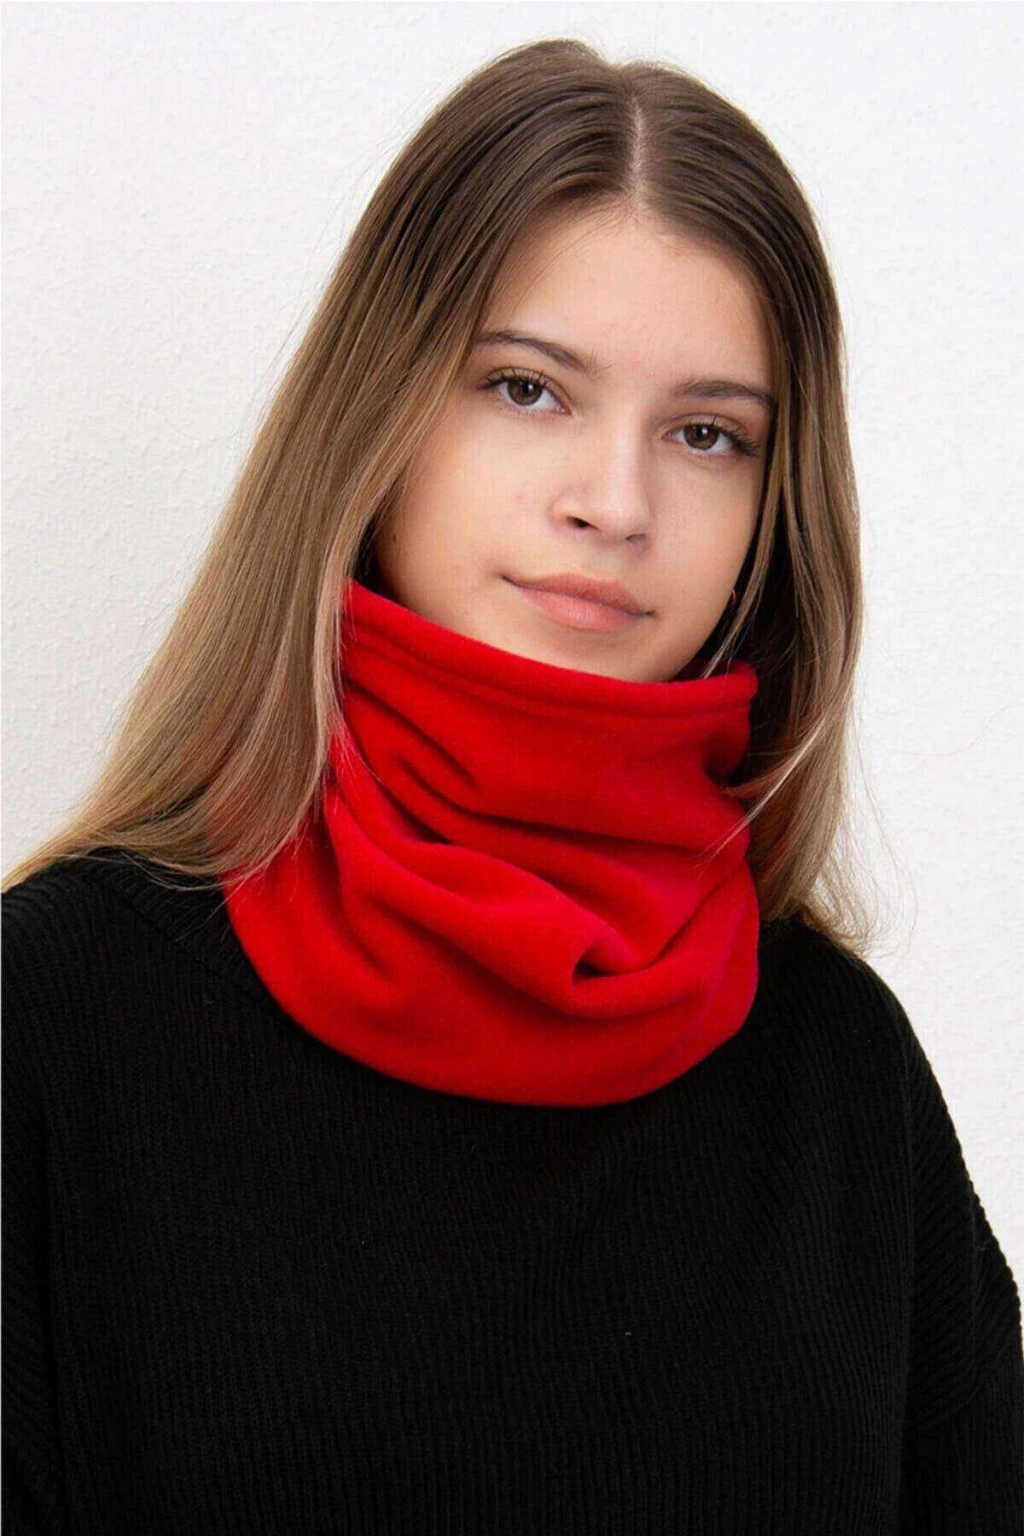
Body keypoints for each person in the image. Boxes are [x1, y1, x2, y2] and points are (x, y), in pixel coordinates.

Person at [3, 36, 1020, 1534]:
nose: (615, 501)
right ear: (378, 410)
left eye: (707, 433)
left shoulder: (838, 1074)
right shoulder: (48, 1020)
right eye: (529, 389)